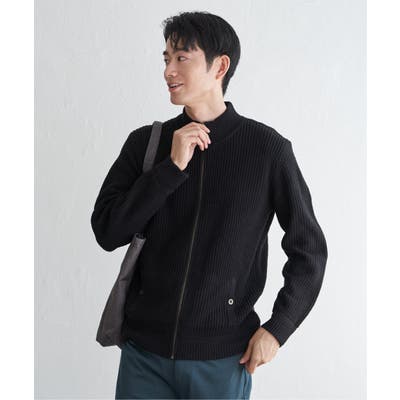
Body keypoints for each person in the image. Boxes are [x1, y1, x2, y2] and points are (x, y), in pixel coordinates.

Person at [90, 10, 328, 400]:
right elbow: (107, 231)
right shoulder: (146, 144)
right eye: (166, 58)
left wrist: (278, 328)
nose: (168, 70)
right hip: (143, 357)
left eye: (182, 57)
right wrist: (170, 169)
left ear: (220, 66)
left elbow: (310, 249)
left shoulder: (266, 150)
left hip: (222, 360)